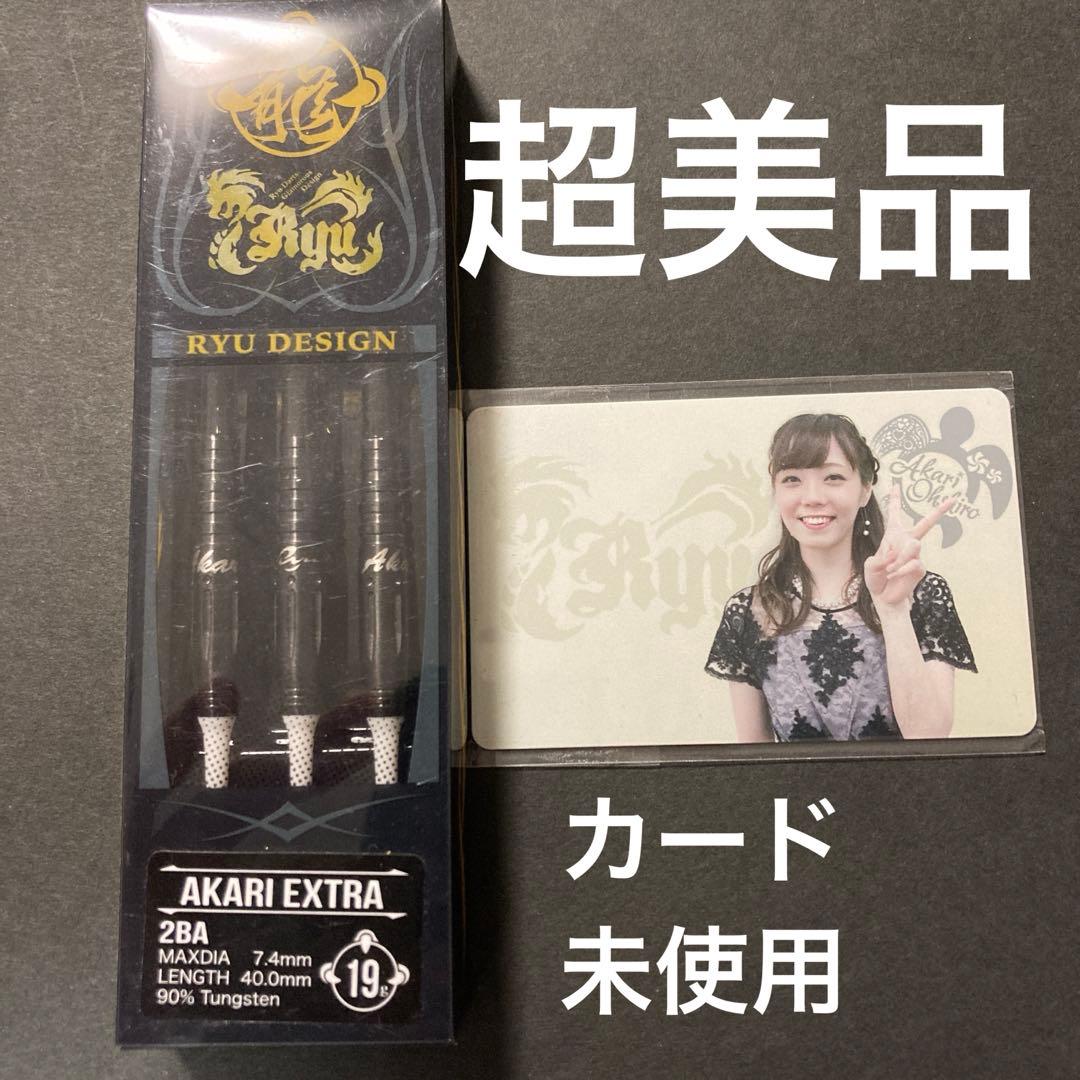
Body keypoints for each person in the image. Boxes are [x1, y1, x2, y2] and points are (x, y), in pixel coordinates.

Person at [705, 413, 976, 742]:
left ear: (865, 490)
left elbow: (930, 738)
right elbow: (754, 759)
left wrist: (892, 610)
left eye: (833, 477)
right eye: (792, 479)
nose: (812, 497)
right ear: (775, 491)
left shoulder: (922, 592)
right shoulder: (749, 610)